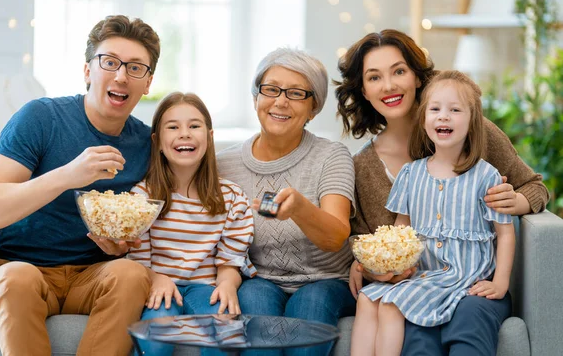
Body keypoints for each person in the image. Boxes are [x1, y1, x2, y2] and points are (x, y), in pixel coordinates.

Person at [335, 29, 549, 356]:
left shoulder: (471, 129)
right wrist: (371, 265)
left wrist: (514, 201)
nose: (389, 85)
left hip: (468, 277)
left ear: (417, 77)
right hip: (413, 284)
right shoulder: (362, 166)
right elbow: (374, 239)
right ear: (363, 89)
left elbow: (535, 187)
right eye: (374, 77)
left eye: (399, 71)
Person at [0, 15, 160, 356]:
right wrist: (69, 175)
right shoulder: (41, 118)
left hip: (93, 275)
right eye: (109, 62)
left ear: (148, 83)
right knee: (17, 281)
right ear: (88, 71)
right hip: (21, 270)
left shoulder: (147, 143)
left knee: (130, 275)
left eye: (135, 67)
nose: (121, 76)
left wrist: (121, 245)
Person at [351, 71, 515, 356]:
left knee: (391, 306)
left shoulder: (485, 176)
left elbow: (505, 233)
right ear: (424, 118)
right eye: (435, 109)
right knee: (366, 298)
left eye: (455, 110)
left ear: (472, 122)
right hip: (422, 275)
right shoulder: (411, 174)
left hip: (463, 276)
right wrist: (392, 264)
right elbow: (402, 232)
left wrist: (500, 282)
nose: (443, 117)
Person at [217, 48, 356, 356]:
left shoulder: (331, 156)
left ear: (313, 108)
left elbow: (335, 237)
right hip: (261, 277)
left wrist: (300, 209)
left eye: (296, 93)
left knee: (311, 303)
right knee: (253, 302)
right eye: (271, 89)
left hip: (326, 280)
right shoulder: (222, 165)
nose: (280, 101)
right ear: (256, 98)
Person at [127, 92, 256, 355]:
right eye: (173, 127)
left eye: (194, 126)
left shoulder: (232, 197)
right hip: (158, 287)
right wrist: (157, 278)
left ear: (209, 137)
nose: (184, 133)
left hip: (205, 288)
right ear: (157, 141)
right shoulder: (141, 198)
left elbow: (230, 261)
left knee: (224, 337)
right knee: (154, 343)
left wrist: (227, 285)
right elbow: (137, 263)